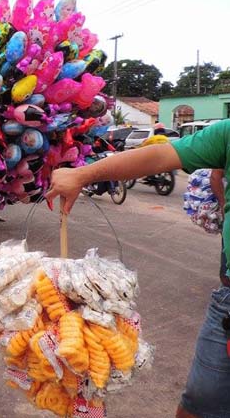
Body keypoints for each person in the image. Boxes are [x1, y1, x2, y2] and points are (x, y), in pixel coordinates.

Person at [45, 119, 230, 418]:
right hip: (228, 306)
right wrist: (82, 174)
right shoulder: (227, 134)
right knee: (199, 403)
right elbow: (160, 156)